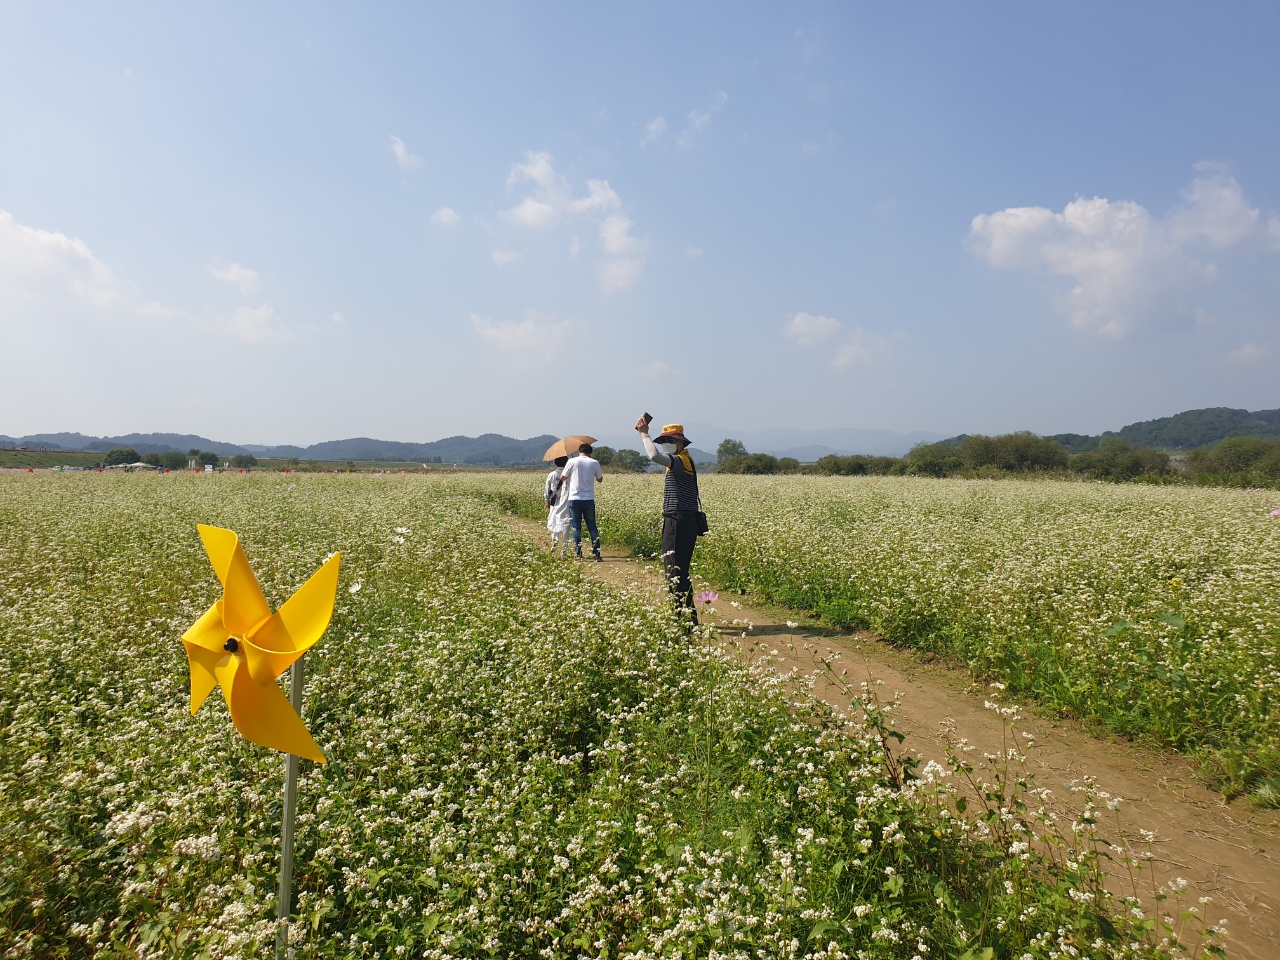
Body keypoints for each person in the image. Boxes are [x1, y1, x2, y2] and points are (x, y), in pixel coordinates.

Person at [635, 417, 701, 623]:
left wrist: (644, 434)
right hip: (683, 519)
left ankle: (682, 619)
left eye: (670, 440)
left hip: (678, 519)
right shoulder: (683, 459)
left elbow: (653, 456)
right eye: (663, 440)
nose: (665, 444)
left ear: (680, 442)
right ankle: (687, 616)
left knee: (674, 570)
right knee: (679, 569)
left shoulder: (680, 460)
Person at [561, 443, 603, 560]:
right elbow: (600, 479)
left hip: (574, 498)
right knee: (592, 527)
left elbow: (563, 477)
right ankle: (596, 554)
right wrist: (593, 477)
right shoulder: (594, 462)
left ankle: (578, 554)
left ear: (578, 451)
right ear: (590, 453)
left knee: (576, 527)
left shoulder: (572, 461)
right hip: (588, 498)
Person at [544, 455, 572, 555]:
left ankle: (554, 542)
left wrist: (547, 501)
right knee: (566, 524)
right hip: (566, 502)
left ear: (556, 463)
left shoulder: (552, 474)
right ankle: (565, 548)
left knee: (554, 522)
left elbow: (547, 490)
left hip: (555, 502)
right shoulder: (570, 474)